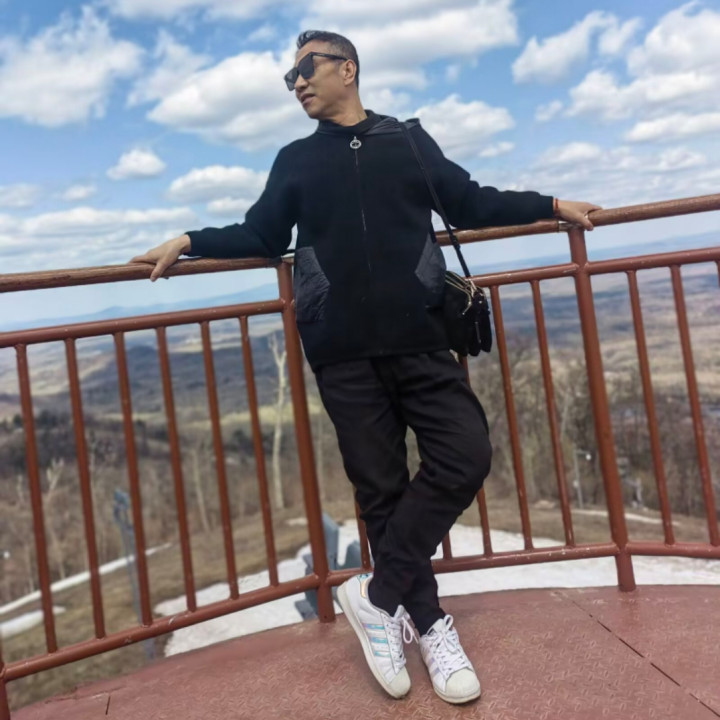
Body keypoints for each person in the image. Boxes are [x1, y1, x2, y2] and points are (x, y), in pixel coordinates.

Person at [130, 30, 601, 705]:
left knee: (466, 453)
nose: (297, 83)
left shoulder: (406, 141)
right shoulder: (295, 161)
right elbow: (261, 235)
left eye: (306, 68)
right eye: (289, 77)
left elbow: (470, 201)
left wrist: (552, 207)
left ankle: (376, 597)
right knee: (380, 490)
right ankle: (428, 627)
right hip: (342, 352)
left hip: (421, 340)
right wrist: (189, 240)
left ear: (347, 69)